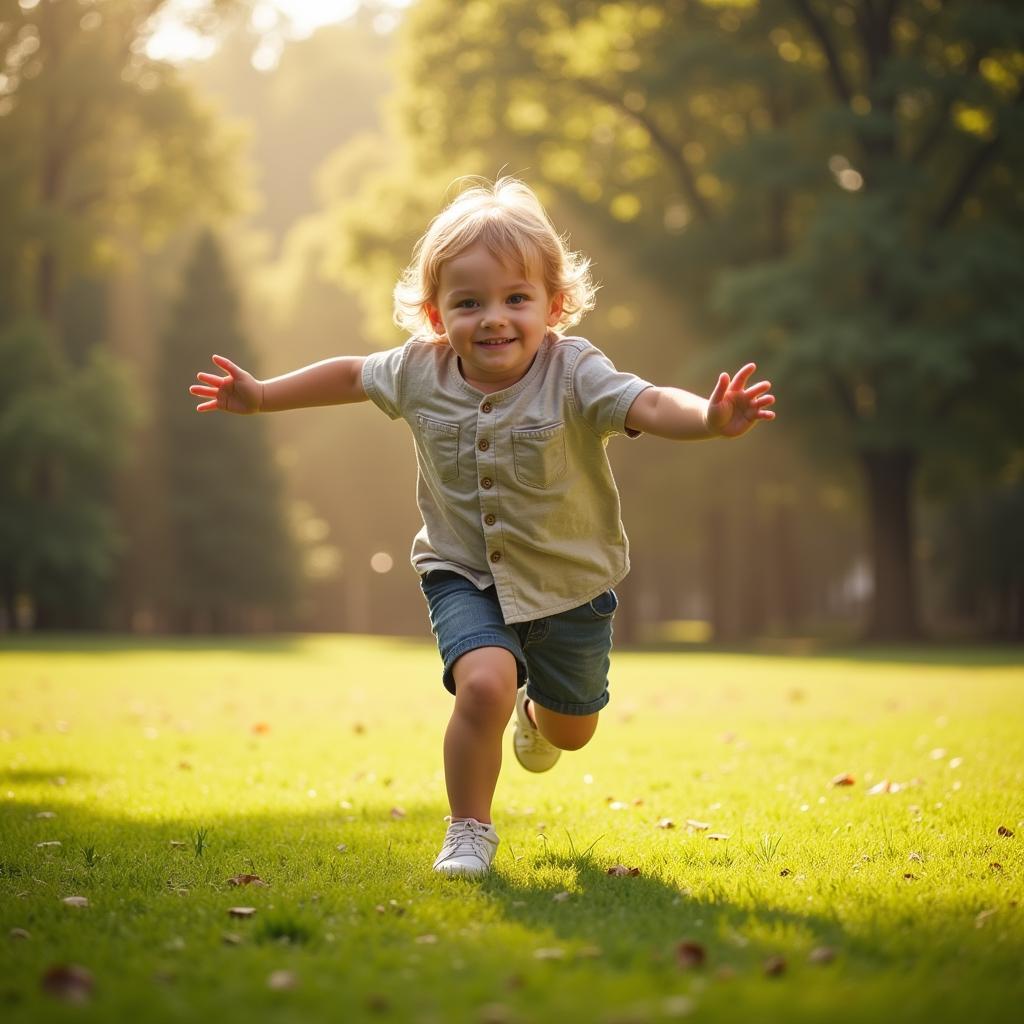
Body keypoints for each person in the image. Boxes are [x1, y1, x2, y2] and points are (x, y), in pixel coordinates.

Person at [190, 176, 775, 877]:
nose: (493, 318)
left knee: (573, 729)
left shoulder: (575, 371)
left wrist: (708, 419)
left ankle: (540, 719)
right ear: (437, 315)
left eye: (515, 299)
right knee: (485, 685)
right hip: (463, 573)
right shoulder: (418, 371)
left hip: (570, 586)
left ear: (553, 306)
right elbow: (350, 374)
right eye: (469, 303)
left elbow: (648, 403)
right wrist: (261, 397)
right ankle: (468, 830)